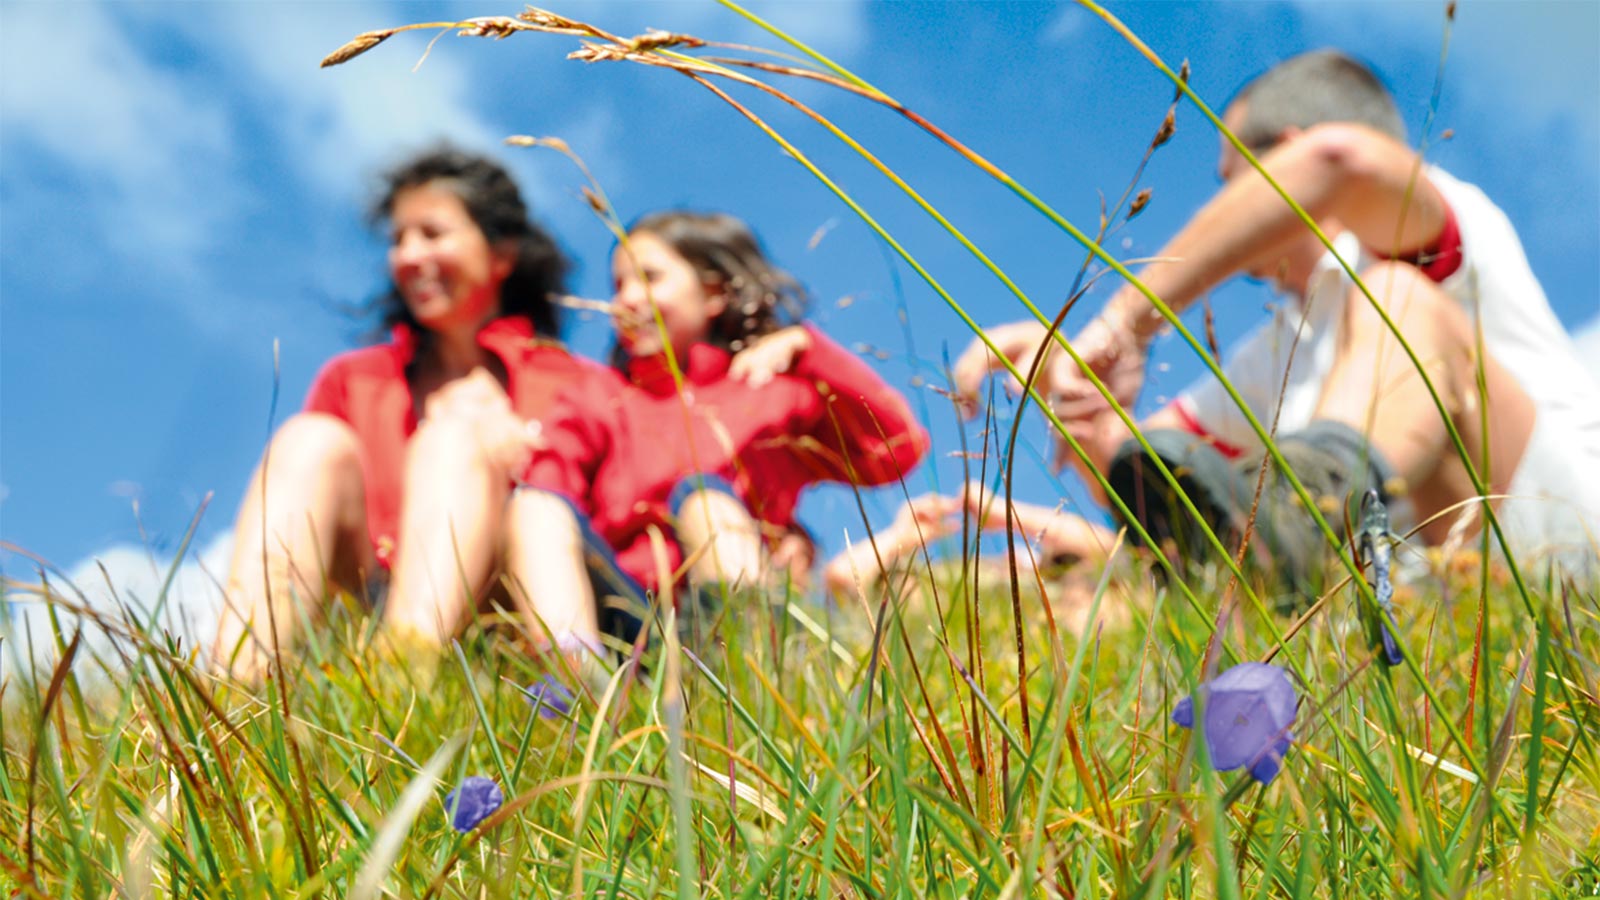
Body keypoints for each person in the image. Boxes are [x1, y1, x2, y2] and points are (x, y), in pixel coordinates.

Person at [955, 49, 1600, 599]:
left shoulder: (1437, 222)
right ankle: (1297, 523)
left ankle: (1308, 512)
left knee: (1399, 297)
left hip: (1566, 548)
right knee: (1228, 513)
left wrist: (1126, 321)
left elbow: (1340, 162)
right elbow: (1160, 481)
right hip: (1449, 603)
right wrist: (1070, 385)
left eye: (1231, 180)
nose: (1222, 206)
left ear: (1285, 153)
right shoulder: (1273, 351)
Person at [210, 147, 602, 679]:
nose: (409, 256)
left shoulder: (571, 382)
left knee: (453, 440)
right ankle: (238, 684)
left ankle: (402, 682)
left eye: (432, 233)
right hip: (370, 591)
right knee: (309, 440)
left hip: (510, 606)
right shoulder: (355, 379)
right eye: (398, 240)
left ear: (502, 255)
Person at [508, 211, 930, 659]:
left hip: (729, 614)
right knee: (533, 505)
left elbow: (895, 451)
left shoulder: (768, 386)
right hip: (626, 616)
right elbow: (554, 484)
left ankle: (754, 671)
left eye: (649, 278)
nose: (627, 300)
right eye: (618, 286)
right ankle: (571, 686)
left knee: (704, 501)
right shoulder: (600, 396)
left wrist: (809, 350)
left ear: (712, 293)